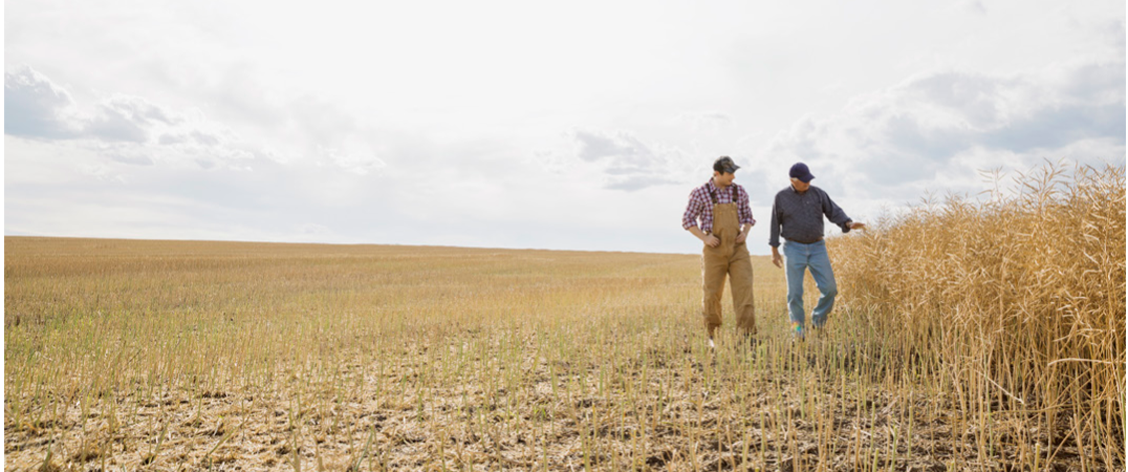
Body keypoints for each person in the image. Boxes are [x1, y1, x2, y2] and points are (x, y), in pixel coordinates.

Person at [769, 162, 864, 340]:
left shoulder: (818, 194)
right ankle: (798, 333)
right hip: (793, 248)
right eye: (803, 181)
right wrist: (774, 251)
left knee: (830, 289)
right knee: (795, 294)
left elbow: (834, 212)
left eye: (809, 180)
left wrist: (848, 224)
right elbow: (775, 224)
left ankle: (818, 320)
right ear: (792, 180)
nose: (807, 183)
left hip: (817, 247)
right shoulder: (781, 197)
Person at [682, 156, 757, 349]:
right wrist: (705, 238)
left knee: (744, 290)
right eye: (729, 172)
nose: (733, 175)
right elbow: (688, 221)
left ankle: (747, 336)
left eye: (734, 172)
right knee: (712, 293)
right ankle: (712, 335)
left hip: (738, 249)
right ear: (717, 173)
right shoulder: (700, 193)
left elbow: (749, 217)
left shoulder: (739, 191)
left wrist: (745, 232)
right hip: (714, 250)